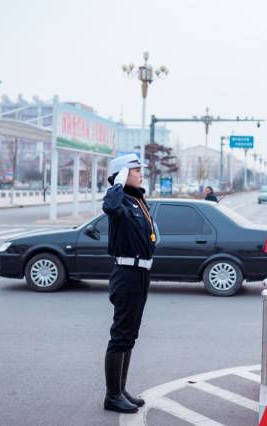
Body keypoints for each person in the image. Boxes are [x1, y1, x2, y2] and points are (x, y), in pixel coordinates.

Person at [102, 153, 160, 413]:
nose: (141, 174)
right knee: (120, 335)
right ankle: (112, 395)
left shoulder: (136, 199)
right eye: (135, 170)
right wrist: (117, 183)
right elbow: (110, 208)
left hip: (140, 274)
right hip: (126, 273)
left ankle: (121, 388)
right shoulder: (119, 199)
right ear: (123, 174)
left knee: (130, 335)